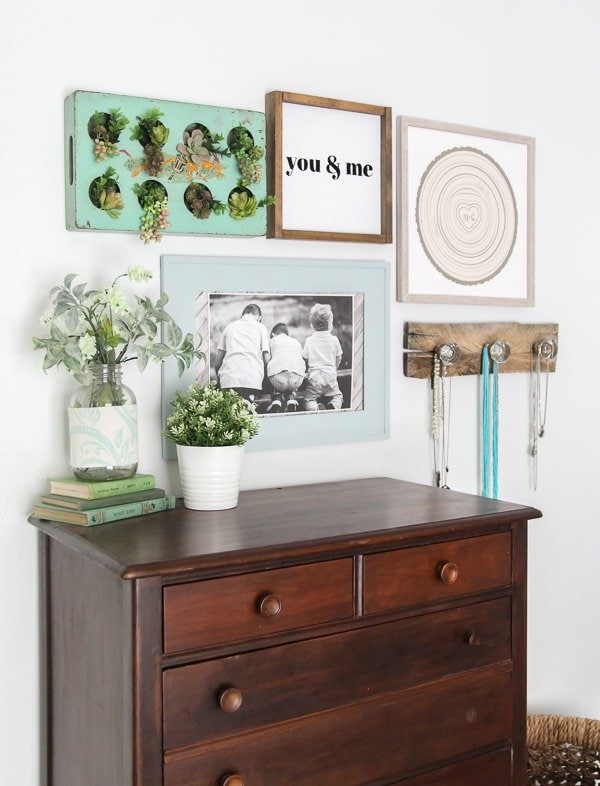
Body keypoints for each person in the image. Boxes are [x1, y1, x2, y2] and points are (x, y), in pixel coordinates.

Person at [213, 303, 270, 404]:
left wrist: (220, 379)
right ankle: (248, 399)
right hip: (252, 381)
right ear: (259, 318)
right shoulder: (261, 327)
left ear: (242, 315)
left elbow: (217, 363)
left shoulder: (229, 327)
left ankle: (244, 400)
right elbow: (267, 360)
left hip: (228, 381)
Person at [302, 303, 343, 411]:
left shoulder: (309, 340)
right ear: (330, 325)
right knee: (338, 396)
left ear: (311, 325)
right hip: (330, 375)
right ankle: (333, 405)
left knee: (309, 399)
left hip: (315, 377)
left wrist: (309, 369)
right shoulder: (334, 340)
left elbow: (305, 359)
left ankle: (315, 409)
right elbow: (338, 358)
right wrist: (334, 369)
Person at [266, 322, 305, 413]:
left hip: (279, 381)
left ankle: (276, 399)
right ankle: (291, 398)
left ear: (273, 335)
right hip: (297, 380)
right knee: (289, 369)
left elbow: (266, 359)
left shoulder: (272, 341)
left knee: (273, 368)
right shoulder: (296, 342)